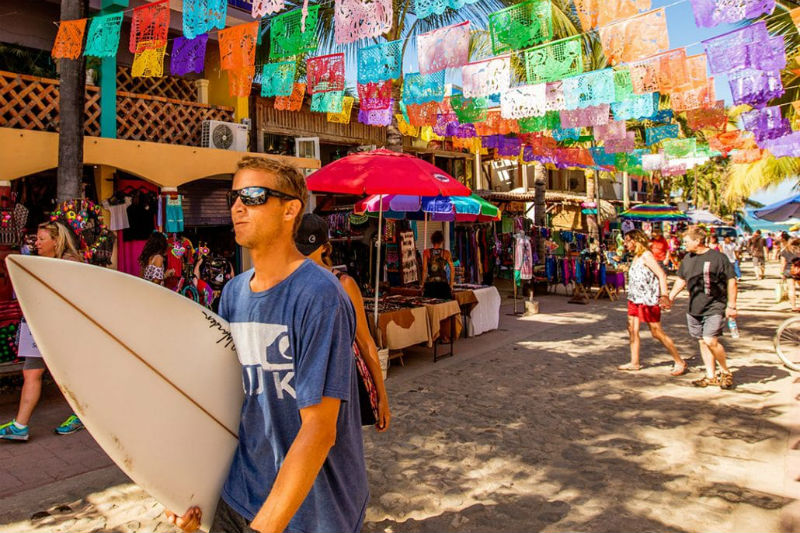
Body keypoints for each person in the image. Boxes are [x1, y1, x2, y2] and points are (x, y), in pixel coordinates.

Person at [167, 157, 368, 533]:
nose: (237, 207)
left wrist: (265, 526)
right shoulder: (233, 294)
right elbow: (229, 401)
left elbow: (319, 429)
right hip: (240, 495)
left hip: (312, 510)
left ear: (290, 210)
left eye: (254, 196)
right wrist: (193, 489)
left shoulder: (320, 295)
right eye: (234, 197)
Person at [295, 213, 391, 431]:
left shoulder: (343, 284)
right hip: (300, 382)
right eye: (300, 250)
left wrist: (382, 396)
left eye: (309, 251)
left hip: (339, 380)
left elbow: (365, 341)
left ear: (324, 248)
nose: (304, 258)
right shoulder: (289, 282)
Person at [0, 221, 85, 441]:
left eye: (41, 239)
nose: (36, 243)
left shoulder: (69, 263)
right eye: (35, 239)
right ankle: (20, 426)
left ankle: (82, 415)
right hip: (36, 326)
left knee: (71, 375)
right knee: (31, 372)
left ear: (56, 241)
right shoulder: (38, 262)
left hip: (61, 329)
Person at [668, 225, 738, 390]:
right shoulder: (687, 259)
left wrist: (732, 305)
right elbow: (681, 280)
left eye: (687, 241)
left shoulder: (718, 258)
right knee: (702, 341)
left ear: (698, 241)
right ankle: (710, 375)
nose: (684, 244)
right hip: (695, 307)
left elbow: (731, 281)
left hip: (715, 305)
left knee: (710, 340)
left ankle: (725, 371)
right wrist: (670, 297)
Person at [618, 230, 686, 375]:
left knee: (656, 332)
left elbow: (661, 274)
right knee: (632, 329)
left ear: (636, 240)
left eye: (628, 240)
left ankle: (679, 360)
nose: (625, 243)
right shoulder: (636, 256)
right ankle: (634, 362)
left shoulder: (646, 255)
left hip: (647, 300)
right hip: (634, 298)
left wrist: (664, 295)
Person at [421, 230, 454, 299]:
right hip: (443, 284)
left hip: (430, 285)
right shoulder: (446, 253)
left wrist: (423, 284)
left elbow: (424, 270)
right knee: (444, 304)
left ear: (432, 241)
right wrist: (451, 285)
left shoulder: (426, 252)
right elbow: (452, 270)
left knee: (430, 303)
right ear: (441, 241)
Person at [780, 237, 800, 312]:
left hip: (789, 271)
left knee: (791, 289)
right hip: (799, 270)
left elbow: (783, 264)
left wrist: (782, 273)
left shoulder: (784, 251)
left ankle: (793, 306)